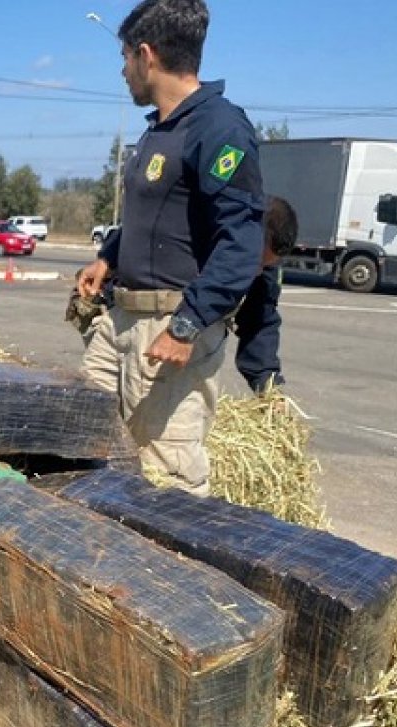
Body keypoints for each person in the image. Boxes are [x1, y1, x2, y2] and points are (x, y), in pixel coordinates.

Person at [75, 0, 264, 496]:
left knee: (165, 479)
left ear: (146, 54)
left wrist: (186, 326)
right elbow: (155, 218)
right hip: (120, 320)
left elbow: (241, 242)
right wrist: (109, 257)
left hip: (169, 328)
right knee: (83, 444)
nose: (122, 71)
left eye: (124, 59)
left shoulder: (219, 128)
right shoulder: (159, 130)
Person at [234, 195, 298, 394]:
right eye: (256, 262)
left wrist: (267, 384)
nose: (258, 272)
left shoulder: (267, 265)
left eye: (266, 265)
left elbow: (259, 320)